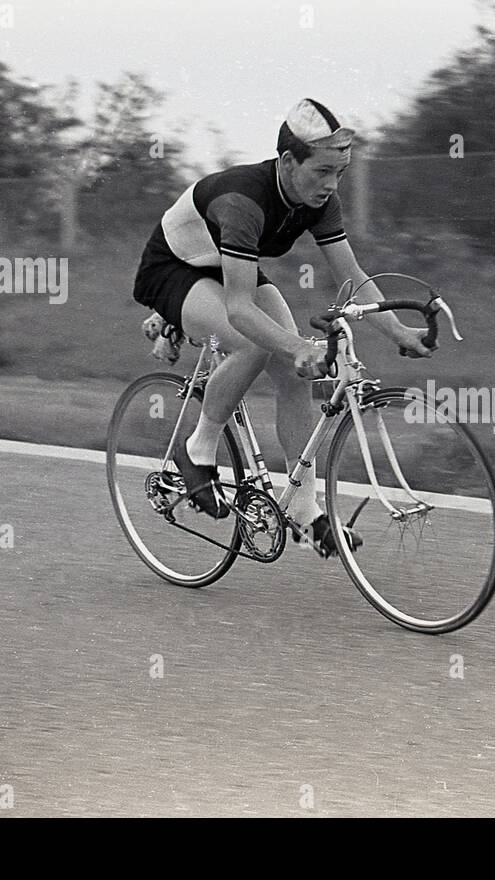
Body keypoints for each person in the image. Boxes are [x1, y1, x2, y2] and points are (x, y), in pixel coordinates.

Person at [132, 98, 433, 556]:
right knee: (253, 345)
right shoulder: (242, 201)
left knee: (296, 374)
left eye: (340, 174)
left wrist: (399, 333)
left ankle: (305, 511)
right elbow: (238, 309)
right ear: (289, 162)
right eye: (322, 172)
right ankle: (197, 451)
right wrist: (296, 345)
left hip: (230, 263)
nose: (331, 185)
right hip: (175, 268)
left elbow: (352, 275)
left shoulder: (319, 200)